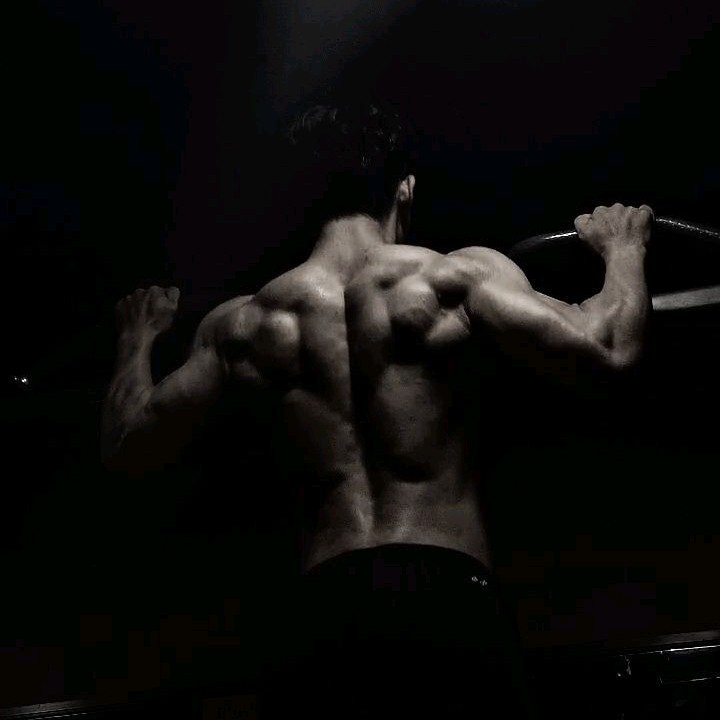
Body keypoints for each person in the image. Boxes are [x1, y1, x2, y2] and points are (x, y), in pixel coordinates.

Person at [101, 103, 653, 718]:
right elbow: (611, 351)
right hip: (447, 599)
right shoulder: (456, 279)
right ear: (404, 189)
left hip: (322, 612)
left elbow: (127, 446)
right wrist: (623, 247)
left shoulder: (245, 325)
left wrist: (137, 337)